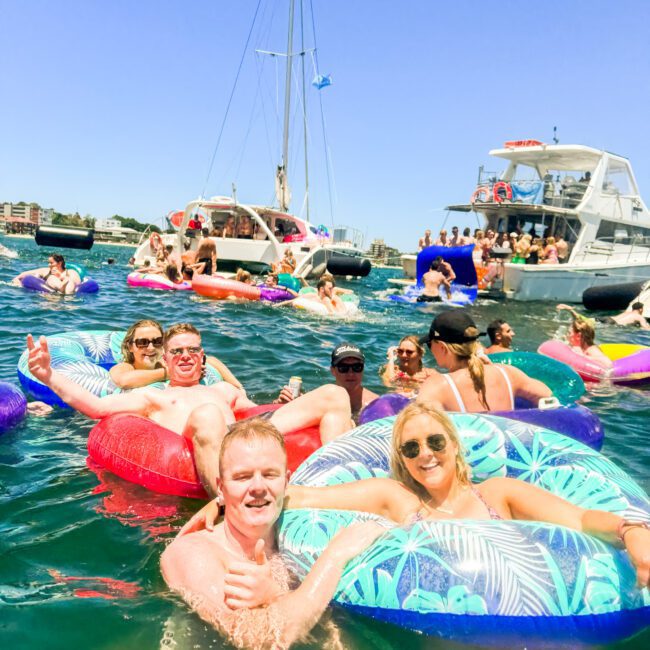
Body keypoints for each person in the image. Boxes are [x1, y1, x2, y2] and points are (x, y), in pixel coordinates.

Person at [184, 403, 650, 589]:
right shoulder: (397, 501)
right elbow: (295, 496)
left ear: (455, 445)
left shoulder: (500, 494)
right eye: (410, 448)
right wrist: (223, 499)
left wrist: (631, 531)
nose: (424, 455)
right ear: (402, 459)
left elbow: (581, 520)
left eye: (435, 442)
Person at [26, 323, 353, 496]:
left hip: (245, 436)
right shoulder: (154, 398)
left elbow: (257, 414)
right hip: (204, 442)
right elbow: (96, 407)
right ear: (165, 361)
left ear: (202, 357)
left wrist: (288, 406)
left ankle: (341, 490)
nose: (185, 356)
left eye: (193, 351)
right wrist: (48, 375)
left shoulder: (224, 389)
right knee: (208, 415)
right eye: (177, 351)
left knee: (334, 394)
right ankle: (226, 505)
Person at [161, 418, 385, 648]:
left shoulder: (296, 539)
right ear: (221, 486)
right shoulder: (191, 553)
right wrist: (335, 557)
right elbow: (260, 640)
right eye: (242, 477)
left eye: (269, 475)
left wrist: (275, 595)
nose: (258, 487)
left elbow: (385, 496)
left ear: (286, 482)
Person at [417, 311, 552, 412]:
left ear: (442, 347)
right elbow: (548, 396)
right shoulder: (508, 374)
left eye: (430, 344)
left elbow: (420, 427)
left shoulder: (437, 386)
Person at [109, 319, 244, 392]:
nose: (150, 348)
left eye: (157, 342)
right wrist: (173, 373)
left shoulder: (165, 362)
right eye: (142, 343)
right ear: (130, 347)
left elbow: (211, 359)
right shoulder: (126, 366)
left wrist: (238, 387)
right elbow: (123, 381)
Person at [275, 342, 378, 423]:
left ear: (363, 369)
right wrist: (283, 404)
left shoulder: (375, 403)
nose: (351, 373)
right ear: (333, 371)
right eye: (343, 368)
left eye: (357, 367)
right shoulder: (319, 399)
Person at [12, 254, 81, 295]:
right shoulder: (46, 271)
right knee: (51, 278)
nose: (49, 265)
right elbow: (23, 275)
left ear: (60, 263)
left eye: (51, 263)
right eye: (48, 263)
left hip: (67, 290)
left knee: (69, 280)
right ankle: (61, 287)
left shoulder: (70, 272)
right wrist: (17, 282)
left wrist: (60, 276)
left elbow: (77, 283)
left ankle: (64, 289)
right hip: (55, 293)